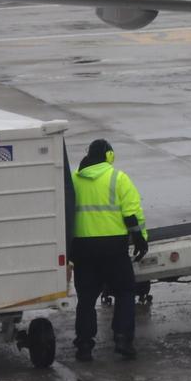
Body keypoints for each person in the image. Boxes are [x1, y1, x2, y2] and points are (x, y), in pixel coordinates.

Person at [70, 138, 148, 360]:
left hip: (82, 248)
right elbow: (132, 213)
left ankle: (84, 345)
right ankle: (123, 339)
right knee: (124, 291)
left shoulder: (74, 180)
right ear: (109, 156)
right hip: (113, 247)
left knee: (85, 299)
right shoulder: (117, 178)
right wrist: (141, 239)